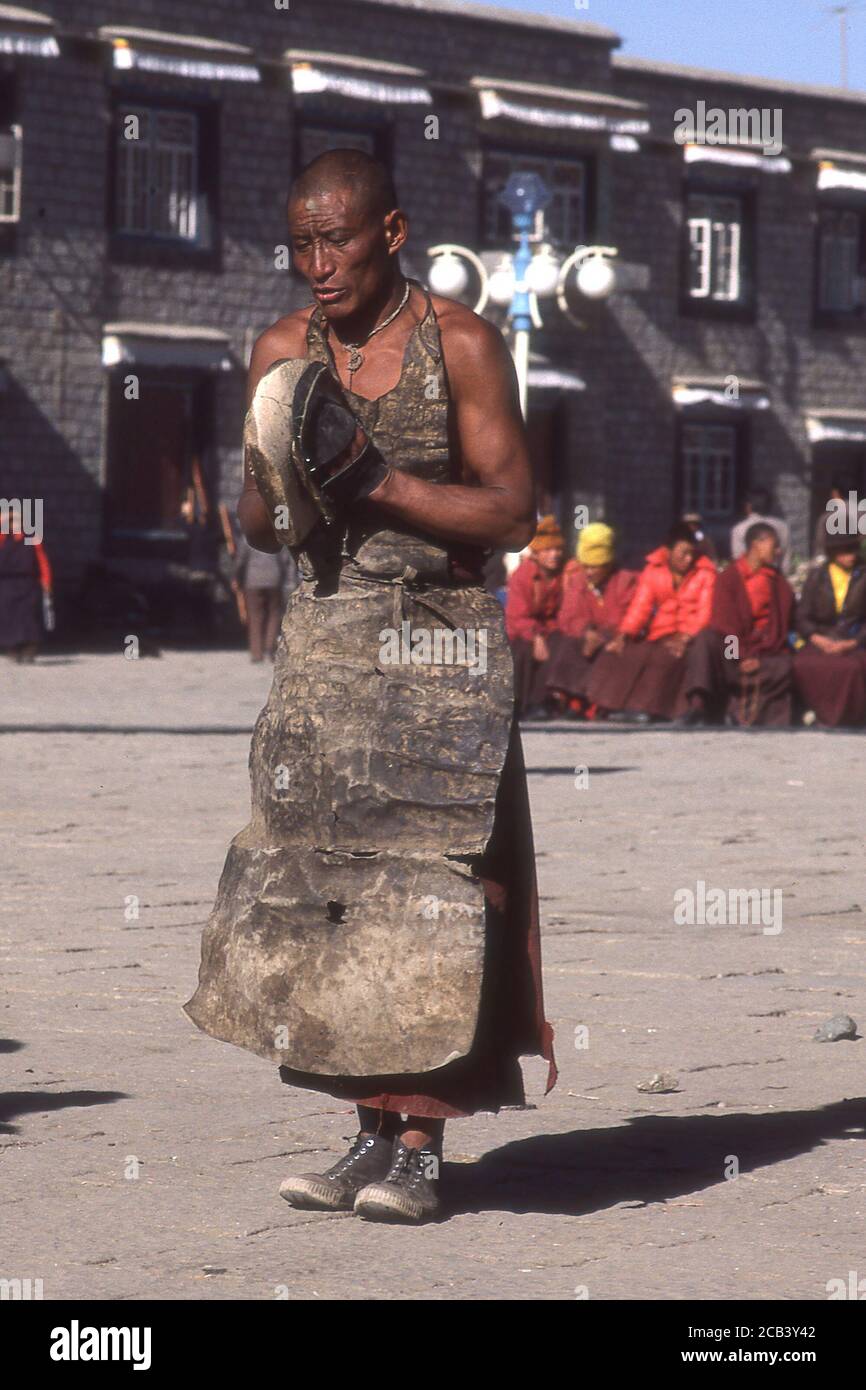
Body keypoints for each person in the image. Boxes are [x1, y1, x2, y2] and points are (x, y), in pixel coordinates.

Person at [184, 149, 556, 1226]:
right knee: (327, 896)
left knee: (439, 890)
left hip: (440, 655)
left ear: (390, 234)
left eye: (335, 240)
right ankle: (361, 1136)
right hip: (328, 659)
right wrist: (280, 467)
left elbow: (511, 512)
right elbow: (263, 526)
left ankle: (422, 1145)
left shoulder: (466, 345)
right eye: (299, 244)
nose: (316, 265)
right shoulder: (282, 350)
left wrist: (377, 481)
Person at [586, 522, 716, 722]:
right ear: (668, 552)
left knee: (664, 658)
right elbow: (640, 608)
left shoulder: (706, 574)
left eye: (692, 553)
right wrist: (624, 634)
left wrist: (685, 638)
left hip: (689, 637)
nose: (688, 559)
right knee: (626, 653)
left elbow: (705, 614)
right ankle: (611, 706)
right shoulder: (653, 571)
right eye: (683, 553)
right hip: (660, 634)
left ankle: (650, 709)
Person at [683, 522, 795, 727]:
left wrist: (757, 659)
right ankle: (698, 705)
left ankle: (737, 714)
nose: (778, 551)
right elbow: (725, 626)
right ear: (756, 544)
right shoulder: (729, 578)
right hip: (732, 652)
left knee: (787, 666)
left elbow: (779, 631)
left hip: (764, 655)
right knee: (706, 639)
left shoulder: (779, 583)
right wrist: (740, 656)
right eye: (774, 545)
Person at [545, 523, 636, 717]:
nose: (589, 572)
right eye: (585, 566)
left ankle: (594, 704)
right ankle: (569, 699)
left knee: (610, 654)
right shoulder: (578, 581)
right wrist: (586, 632)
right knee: (569, 644)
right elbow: (567, 616)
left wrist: (602, 636)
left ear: (607, 565)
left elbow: (628, 615)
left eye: (594, 567)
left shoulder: (625, 581)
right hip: (586, 637)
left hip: (614, 639)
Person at [794, 534, 866, 727]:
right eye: (845, 551)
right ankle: (817, 713)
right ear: (834, 553)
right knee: (803, 664)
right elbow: (802, 615)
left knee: (852, 668)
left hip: (854, 640)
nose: (851, 555)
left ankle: (848, 717)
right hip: (822, 638)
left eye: (853, 550)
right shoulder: (817, 576)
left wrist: (853, 642)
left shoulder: (863, 574)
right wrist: (816, 638)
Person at [504, 514, 566, 721]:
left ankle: (544, 701)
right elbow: (517, 616)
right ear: (537, 554)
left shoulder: (563, 576)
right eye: (548, 550)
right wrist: (536, 636)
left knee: (560, 646)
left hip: (549, 629)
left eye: (557, 549)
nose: (554, 555)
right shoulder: (522, 576)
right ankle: (523, 702)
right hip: (521, 632)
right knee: (524, 650)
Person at [233, 532, 296, 662]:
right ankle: (269, 647)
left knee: (255, 616)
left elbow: (240, 560)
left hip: (253, 580)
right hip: (274, 579)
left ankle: (256, 653)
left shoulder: (248, 536)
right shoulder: (278, 536)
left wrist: (236, 578)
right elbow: (286, 560)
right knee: (274, 614)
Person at [0, 507, 53, 662]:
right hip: (5, 584)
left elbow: (42, 560)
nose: (13, 524)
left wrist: (46, 581)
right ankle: (13, 649)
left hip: (28, 584)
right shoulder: (2, 538)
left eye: (16, 520)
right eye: (9, 521)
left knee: (29, 616)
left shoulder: (32, 537)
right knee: (7, 616)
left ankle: (29, 650)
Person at [730, 487, 791, 573]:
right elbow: (785, 559)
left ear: (748, 506)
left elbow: (737, 558)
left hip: (748, 578)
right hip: (775, 577)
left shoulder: (739, 529)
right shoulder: (782, 526)